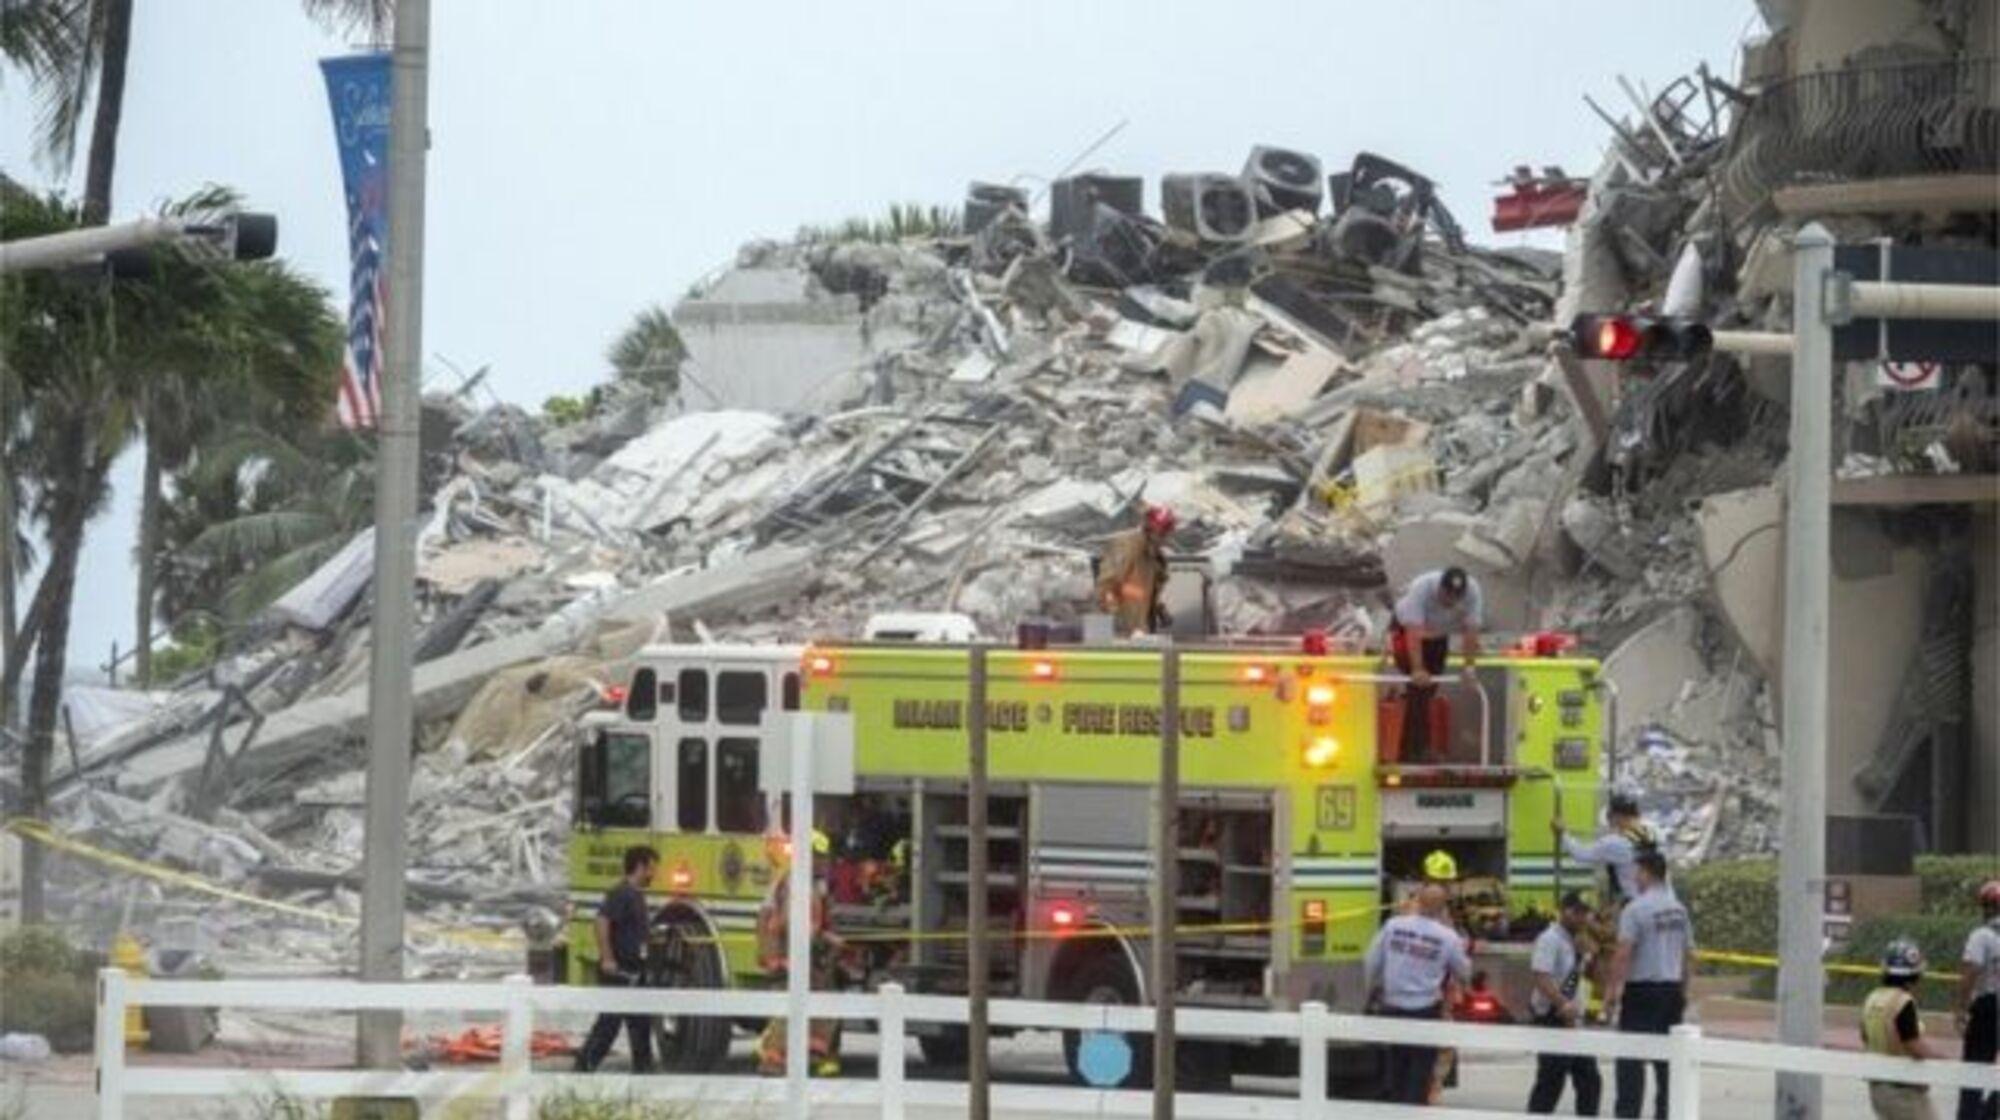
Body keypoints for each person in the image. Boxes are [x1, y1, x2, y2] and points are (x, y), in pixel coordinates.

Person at [1604, 848, 1695, 1120]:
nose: (1634, 878)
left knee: (1630, 1060)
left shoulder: (1635, 909)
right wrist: (1684, 991)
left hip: (1642, 992)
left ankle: (1628, 1114)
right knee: (1667, 1063)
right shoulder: (1679, 910)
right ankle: (1666, 1114)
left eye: (1637, 872)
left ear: (1646, 873)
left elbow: (1623, 954)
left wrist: (1611, 993)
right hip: (1671, 991)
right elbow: (1689, 955)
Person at [1364, 882, 1473, 1104]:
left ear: (1418, 902)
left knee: (1395, 1070)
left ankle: (1397, 1109)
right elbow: (1464, 970)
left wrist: (1371, 991)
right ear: (1443, 908)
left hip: (1392, 1007)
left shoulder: (1393, 926)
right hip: (1425, 1011)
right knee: (1420, 1074)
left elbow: (1371, 961)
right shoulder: (1448, 937)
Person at [756, 829, 847, 1077]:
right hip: (788, 959)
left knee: (817, 1009)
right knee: (789, 1011)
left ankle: (809, 1057)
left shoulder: (807, 883)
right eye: (820, 856)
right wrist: (828, 938)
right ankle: (773, 1061)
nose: (825, 862)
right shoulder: (797, 885)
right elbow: (794, 924)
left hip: (798, 959)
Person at [575, 845, 659, 1074]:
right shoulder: (621, 893)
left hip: (636, 971)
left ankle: (644, 1072)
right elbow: (601, 921)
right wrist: (607, 958)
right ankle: (583, 1067)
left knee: (641, 1025)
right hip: (619, 971)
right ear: (640, 866)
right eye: (652, 869)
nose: (655, 874)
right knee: (609, 1024)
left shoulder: (638, 896)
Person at [1390, 567, 1483, 760]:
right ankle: (1413, 751)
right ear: (1440, 587)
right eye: (1446, 595)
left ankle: (1419, 747)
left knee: (1430, 686)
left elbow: (1471, 631)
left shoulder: (1473, 592)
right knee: (1418, 688)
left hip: (1438, 635)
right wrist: (1417, 668)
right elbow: (1413, 632)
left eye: (1455, 598)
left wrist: (1469, 667)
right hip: (1406, 630)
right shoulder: (1422, 587)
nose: (1450, 601)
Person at [1528, 892, 1604, 1116]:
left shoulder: (1576, 941)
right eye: (1576, 912)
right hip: (1552, 1016)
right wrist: (1562, 1004)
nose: (1581, 918)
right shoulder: (1550, 938)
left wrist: (1590, 956)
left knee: (1590, 1080)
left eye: (1585, 913)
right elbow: (1541, 976)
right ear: (1563, 910)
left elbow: (1591, 977)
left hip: (1572, 1021)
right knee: (1551, 1081)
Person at [1862, 938, 1939, 1120]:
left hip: (1878, 1086)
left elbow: (1865, 1035)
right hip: (1903, 1089)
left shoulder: (1873, 998)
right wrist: (1942, 1061)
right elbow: (1913, 1044)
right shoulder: (1903, 1002)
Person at [1553, 789, 1658, 905]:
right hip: (1661, 901)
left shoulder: (1615, 843)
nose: (1610, 822)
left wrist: (1562, 833)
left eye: (1610, 817)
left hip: (1637, 903)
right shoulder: (1652, 833)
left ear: (1617, 816)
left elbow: (1581, 854)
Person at [1096, 505, 1175, 635]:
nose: (1164, 537)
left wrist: (1159, 609)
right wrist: (1116, 622)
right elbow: (1106, 585)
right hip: (1124, 632)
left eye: (1166, 532)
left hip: (1141, 630)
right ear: (1149, 527)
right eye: (1161, 532)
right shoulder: (1127, 546)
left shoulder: (1154, 555)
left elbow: (1146, 592)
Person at [1957, 881, 2000, 1120]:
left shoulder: (1981, 935)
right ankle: (1989, 1113)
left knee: (1972, 1072)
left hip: (1986, 1007)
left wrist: (1960, 1009)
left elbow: (1971, 972)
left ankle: (1972, 1116)